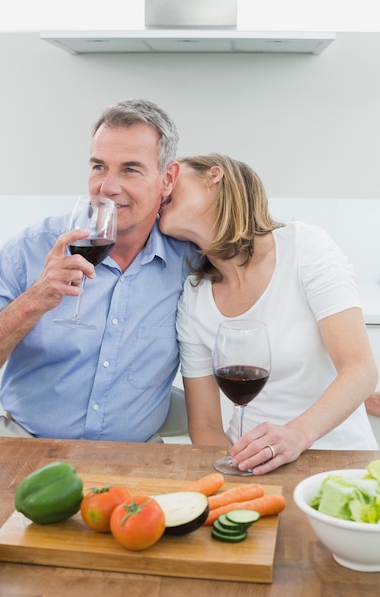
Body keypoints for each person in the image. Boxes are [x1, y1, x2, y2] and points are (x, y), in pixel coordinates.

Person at [0, 99, 196, 442]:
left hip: (134, 460)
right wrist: (33, 302)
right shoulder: (28, 250)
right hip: (27, 452)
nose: (107, 187)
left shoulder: (190, 261)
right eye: (99, 167)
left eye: (130, 169)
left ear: (168, 179)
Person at [159, 153, 379, 474]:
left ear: (213, 178)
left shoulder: (304, 247)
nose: (161, 190)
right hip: (252, 469)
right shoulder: (193, 297)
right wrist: (238, 473)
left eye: (172, 178)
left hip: (342, 463)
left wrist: (295, 436)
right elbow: (205, 425)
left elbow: (360, 370)